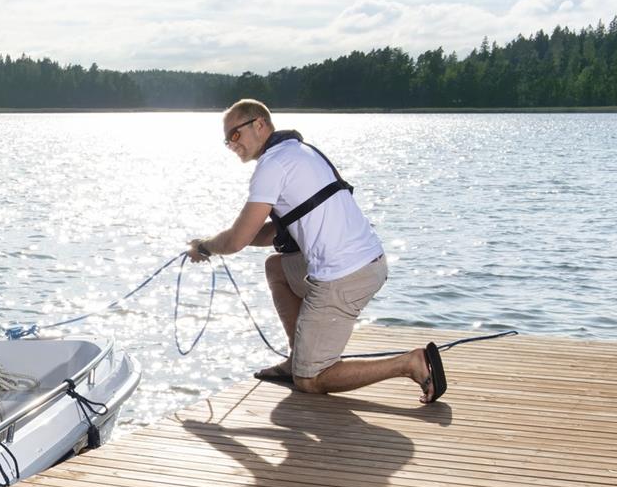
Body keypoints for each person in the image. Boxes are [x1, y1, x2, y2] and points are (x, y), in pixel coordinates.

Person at [187, 99, 445, 403]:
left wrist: (205, 245)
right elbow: (273, 233)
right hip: (367, 261)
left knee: (310, 379)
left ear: (259, 124)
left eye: (235, 135)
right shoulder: (300, 152)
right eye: (226, 140)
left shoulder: (271, 165)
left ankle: (408, 363)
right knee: (277, 268)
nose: (232, 145)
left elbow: (237, 241)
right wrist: (222, 241)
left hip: (345, 275)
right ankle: (298, 356)